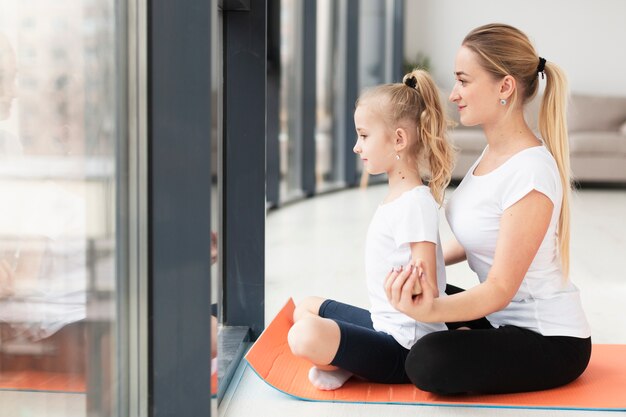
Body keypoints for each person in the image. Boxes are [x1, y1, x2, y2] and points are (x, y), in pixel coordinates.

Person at [385, 23, 592, 395]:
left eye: (464, 81)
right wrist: (417, 262)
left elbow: (498, 288)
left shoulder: (530, 171)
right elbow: (484, 237)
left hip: (549, 340)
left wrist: (429, 310)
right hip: (500, 323)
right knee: (408, 302)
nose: (454, 95)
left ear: (505, 87)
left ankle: (468, 343)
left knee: (425, 358)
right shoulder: (493, 153)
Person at [287, 69, 456, 390]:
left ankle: (349, 362)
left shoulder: (414, 203)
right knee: (306, 306)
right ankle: (348, 360)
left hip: (405, 347)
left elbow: (430, 289)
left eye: (363, 136)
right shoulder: (399, 197)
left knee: (304, 335)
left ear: (398, 139)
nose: (356, 146)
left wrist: (409, 287)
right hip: (384, 325)